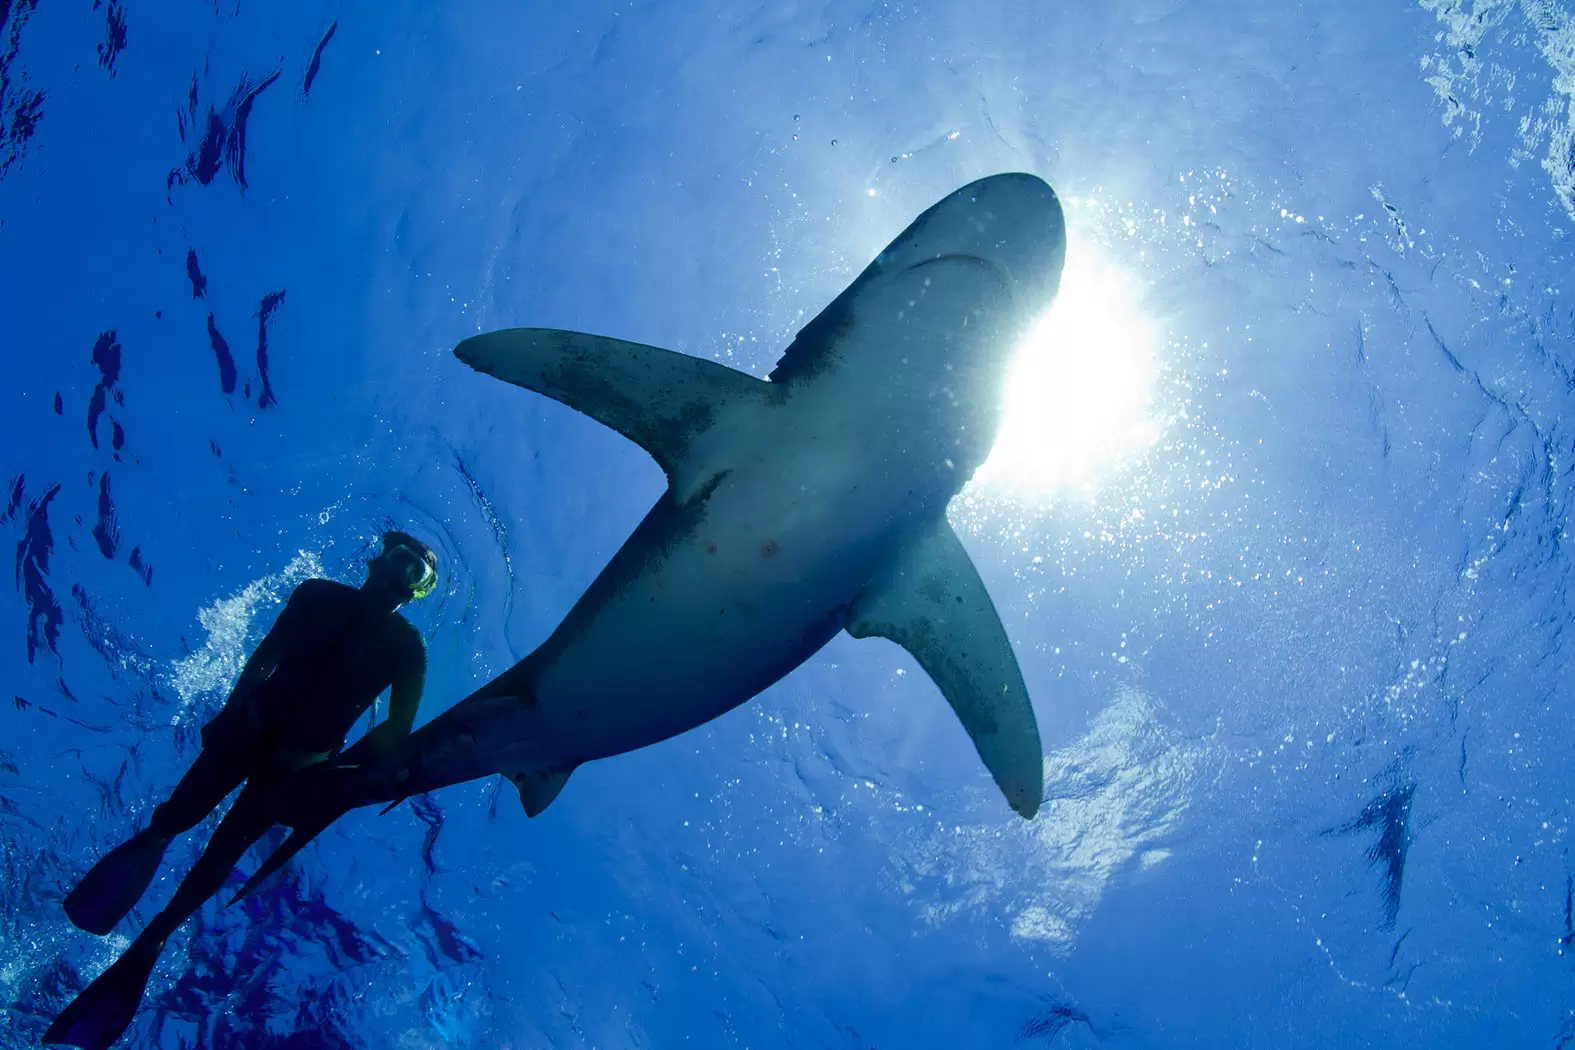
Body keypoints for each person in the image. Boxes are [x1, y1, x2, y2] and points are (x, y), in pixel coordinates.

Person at [43, 531, 438, 1050]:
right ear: (376, 559)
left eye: (417, 573)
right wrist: (233, 711)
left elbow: (397, 731)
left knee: (215, 862)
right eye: (401, 559)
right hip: (244, 735)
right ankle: (152, 858)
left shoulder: (407, 649)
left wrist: (333, 774)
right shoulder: (316, 594)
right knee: (174, 819)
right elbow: (266, 656)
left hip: (294, 772)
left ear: (416, 592)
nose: (403, 572)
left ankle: (154, 937)